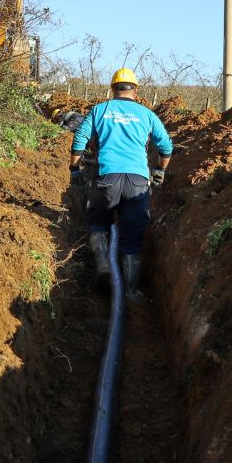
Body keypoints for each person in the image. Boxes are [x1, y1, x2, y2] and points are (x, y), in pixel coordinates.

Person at [69, 68, 173, 294]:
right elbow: (166, 147)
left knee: (98, 223)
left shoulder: (100, 110)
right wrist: (160, 171)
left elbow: (79, 140)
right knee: (133, 238)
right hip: (137, 182)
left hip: (106, 178)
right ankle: (132, 291)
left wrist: (75, 169)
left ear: (113, 89)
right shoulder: (147, 115)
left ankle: (104, 264)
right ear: (135, 90)